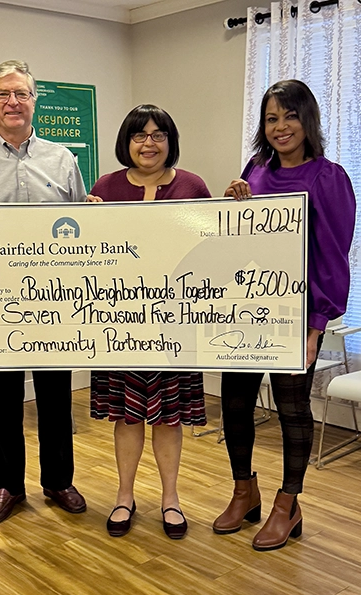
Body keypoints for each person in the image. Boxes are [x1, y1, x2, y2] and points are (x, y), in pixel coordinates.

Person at [0, 60, 88, 525]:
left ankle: (58, 480)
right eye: (2, 94)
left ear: (34, 100)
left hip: (56, 300)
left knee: (54, 393)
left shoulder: (63, 159)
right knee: (2, 393)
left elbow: (83, 226)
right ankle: (8, 485)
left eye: (21, 94)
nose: (12, 102)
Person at [213, 80, 356, 551]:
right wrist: (234, 200)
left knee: (293, 410)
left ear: (307, 120)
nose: (281, 127)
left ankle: (287, 504)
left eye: (290, 117)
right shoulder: (255, 170)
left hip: (295, 317)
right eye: (271, 119)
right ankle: (243, 491)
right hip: (244, 310)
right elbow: (239, 239)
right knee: (235, 404)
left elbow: (334, 258)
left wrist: (317, 327)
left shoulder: (328, 177)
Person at [88, 104, 210, 539]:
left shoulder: (193, 186)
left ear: (170, 141)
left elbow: (212, 250)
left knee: (169, 416)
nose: (149, 143)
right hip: (119, 322)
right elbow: (87, 256)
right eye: (140, 135)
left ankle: (171, 498)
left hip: (175, 323)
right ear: (127, 142)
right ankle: (124, 495)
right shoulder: (105, 187)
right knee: (127, 415)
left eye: (159, 135)